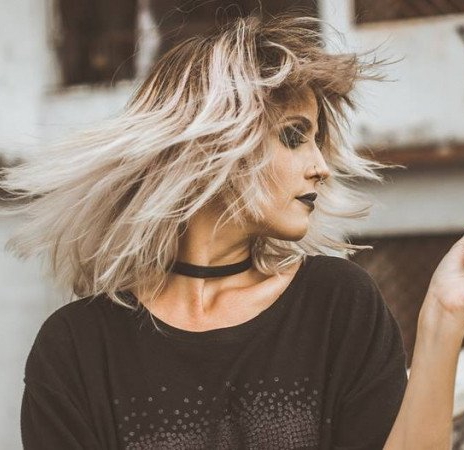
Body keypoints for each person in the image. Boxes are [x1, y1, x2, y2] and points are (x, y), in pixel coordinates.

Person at [1, 12, 463, 450]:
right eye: (293, 136)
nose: (320, 167)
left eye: (317, 141)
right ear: (212, 145)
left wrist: (443, 319)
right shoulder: (76, 347)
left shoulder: (337, 303)